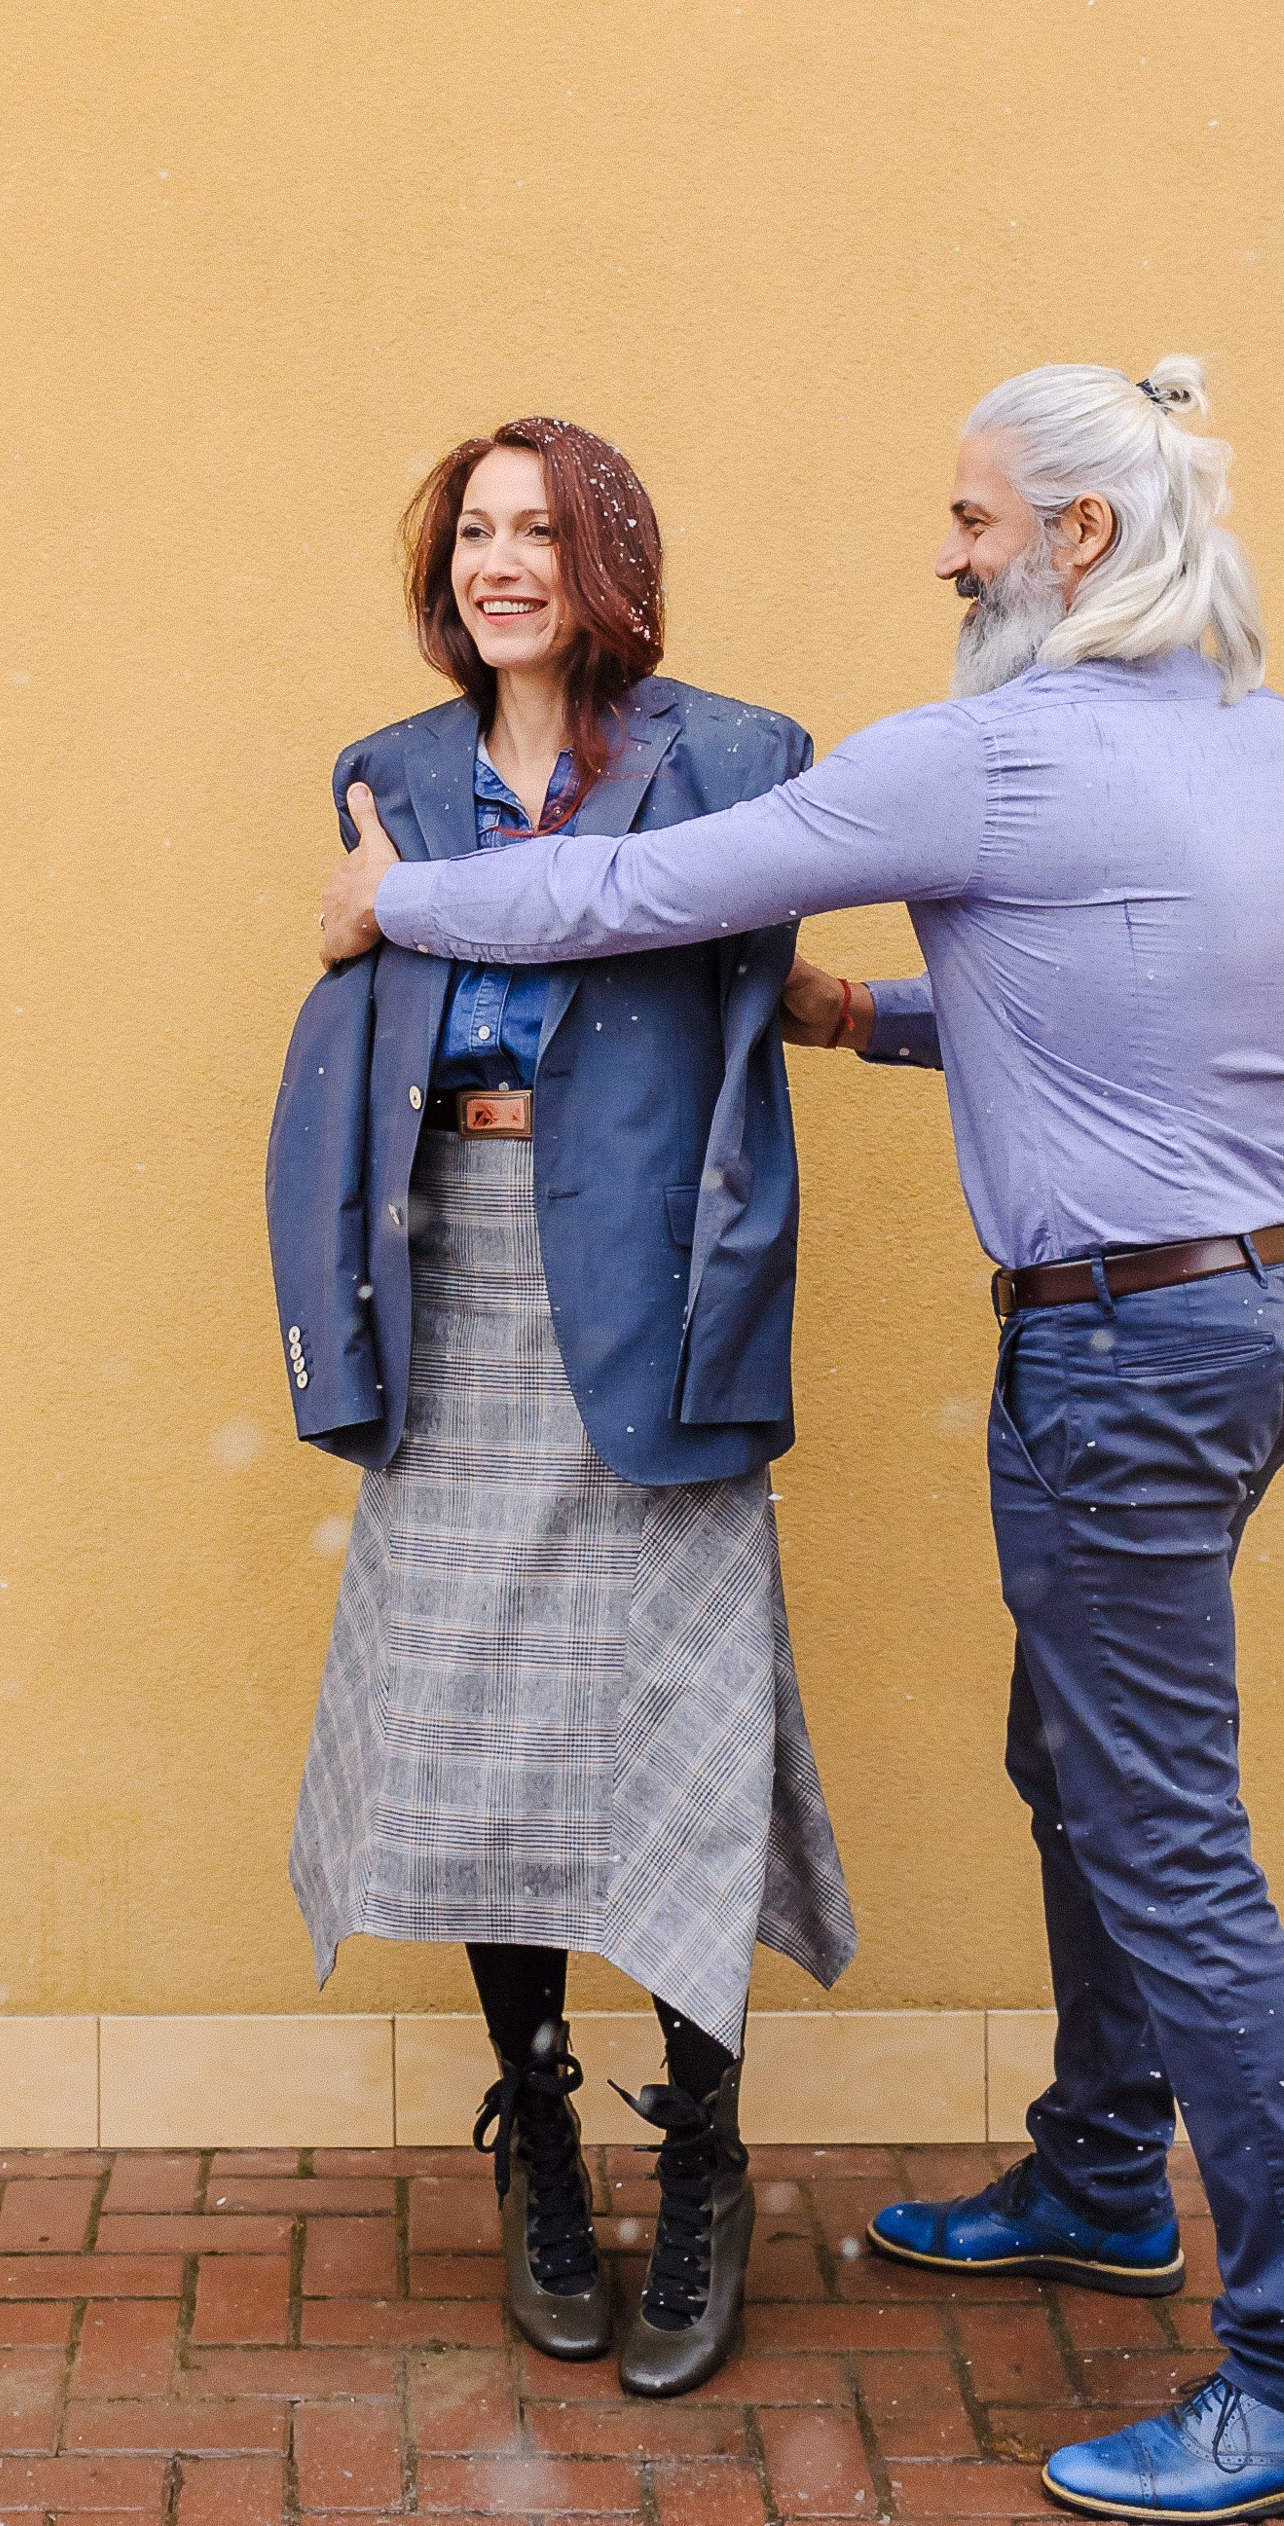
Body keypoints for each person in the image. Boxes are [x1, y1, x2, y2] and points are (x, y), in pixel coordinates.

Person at [317, 361, 1284, 2525]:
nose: (946, 549)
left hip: (1114, 1355)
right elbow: (1110, 1005)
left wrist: (397, 901)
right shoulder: (1256, 741)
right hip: (1249, 1312)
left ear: (1077, 541)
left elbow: (637, 893)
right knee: (1077, 1770)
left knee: (1171, 1843)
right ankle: (1101, 2172)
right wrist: (864, 1012)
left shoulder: (987, 757)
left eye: (975, 517)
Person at [267, 415, 854, 2397]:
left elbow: (669, 939)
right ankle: (542, 2140)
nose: (500, 564)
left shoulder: (745, 755)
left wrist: (398, 909)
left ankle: (702, 2152)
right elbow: (358, 1055)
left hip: (652, 1294)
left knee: (684, 1734)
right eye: (473, 533)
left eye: (537, 527)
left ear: (612, 548)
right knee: (474, 1729)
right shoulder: (395, 770)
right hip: (462, 1275)